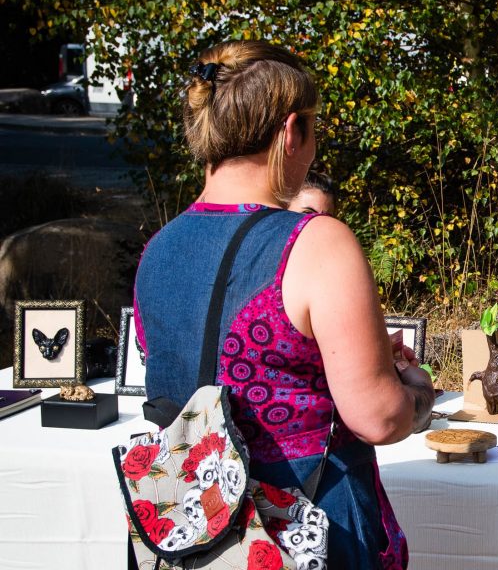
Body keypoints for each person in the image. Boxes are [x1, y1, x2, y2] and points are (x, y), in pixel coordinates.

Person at [132, 40, 434, 569]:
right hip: (305, 529)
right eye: (314, 131)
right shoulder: (316, 242)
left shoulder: (158, 248)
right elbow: (379, 418)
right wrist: (417, 390)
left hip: (190, 534)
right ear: (291, 131)